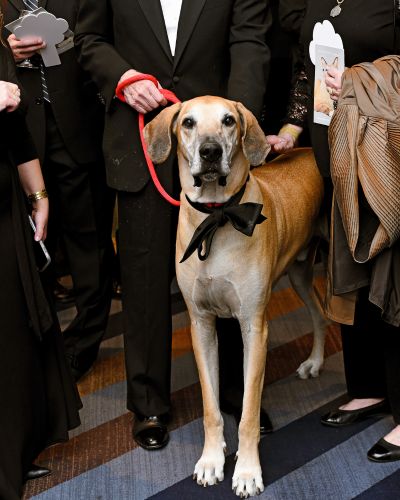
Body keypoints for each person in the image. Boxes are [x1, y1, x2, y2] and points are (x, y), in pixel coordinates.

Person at [74, 0, 272, 450]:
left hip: (215, 144)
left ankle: (240, 398)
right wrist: (123, 78)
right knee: (143, 277)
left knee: (232, 274)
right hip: (143, 135)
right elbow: (89, 39)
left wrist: (235, 128)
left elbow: (249, 42)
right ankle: (149, 404)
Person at [267, 0, 400, 462]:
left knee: (394, 280)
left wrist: (361, 82)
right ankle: (370, 389)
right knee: (355, 278)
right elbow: (311, 71)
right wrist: (291, 128)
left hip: (386, 157)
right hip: (339, 157)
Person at [3, 0, 115, 382]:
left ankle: (83, 343)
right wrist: (5, 49)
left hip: (78, 125)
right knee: (27, 245)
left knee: (89, 244)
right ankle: (37, 345)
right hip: (17, 133)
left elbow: (99, 40)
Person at [0, 30, 81, 499]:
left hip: (4, 203)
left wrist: (38, 193)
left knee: (13, 331)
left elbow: (13, 126)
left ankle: (12, 451)